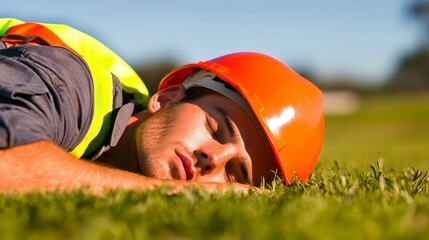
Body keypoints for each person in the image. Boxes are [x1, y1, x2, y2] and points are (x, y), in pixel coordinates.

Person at [0, 18, 324, 194]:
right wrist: (172, 193)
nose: (214, 158)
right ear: (167, 98)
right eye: (216, 128)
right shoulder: (67, 83)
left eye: (236, 175)